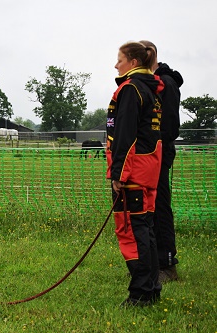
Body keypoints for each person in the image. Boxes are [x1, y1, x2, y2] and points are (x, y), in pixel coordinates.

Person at [106, 41, 164, 307]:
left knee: (132, 230)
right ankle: (151, 288)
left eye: (119, 59)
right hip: (148, 170)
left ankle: (140, 293)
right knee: (146, 229)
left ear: (132, 62)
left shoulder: (131, 90)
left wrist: (118, 173)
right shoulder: (152, 90)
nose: (116, 65)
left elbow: (125, 136)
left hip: (133, 174)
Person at [140, 40, 184, 283]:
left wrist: (153, 145)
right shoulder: (149, 83)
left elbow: (168, 127)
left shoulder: (165, 83)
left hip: (158, 152)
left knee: (160, 205)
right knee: (146, 207)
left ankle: (167, 263)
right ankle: (150, 262)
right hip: (147, 153)